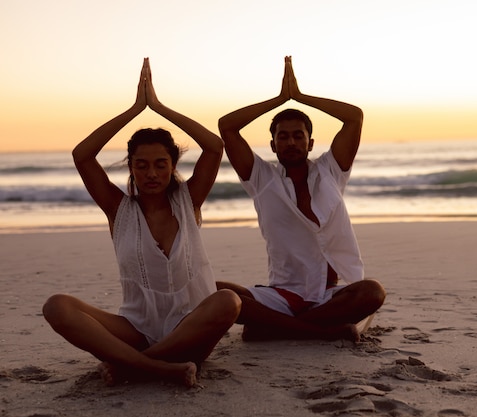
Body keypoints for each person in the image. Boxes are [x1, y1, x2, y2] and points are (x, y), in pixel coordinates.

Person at [42, 58, 241, 387]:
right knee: (56, 307)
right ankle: (160, 367)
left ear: (172, 165)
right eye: (142, 165)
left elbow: (214, 146)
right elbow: (82, 155)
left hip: (191, 332)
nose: (152, 174)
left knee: (228, 301)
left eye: (161, 164)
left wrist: (158, 107)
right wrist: (136, 109)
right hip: (135, 330)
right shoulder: (118, 208)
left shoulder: (188, 200)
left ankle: (136, 366)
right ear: (131, 167)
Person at [217, 56, 385, 343]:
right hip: (281, 295)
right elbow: (227, 126)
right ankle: (318, 332)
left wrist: (301, 97)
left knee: (372, 292)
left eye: (298, 136)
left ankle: (275, 328)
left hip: (330, 294)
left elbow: (354, 116)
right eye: (283, 137)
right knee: (215, 291)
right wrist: (279, 99)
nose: (291, 142)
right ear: (273, 144)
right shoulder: (261, 179)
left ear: (310, 143)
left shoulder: (331, 171)